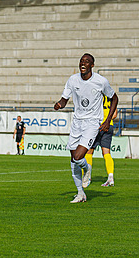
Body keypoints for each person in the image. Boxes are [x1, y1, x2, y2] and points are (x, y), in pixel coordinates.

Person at [54, 53, 118, 203]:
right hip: (77, 122)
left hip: (92, 123)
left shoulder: (100, 81)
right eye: (82, 61)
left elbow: (114, 98)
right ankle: (80, 193)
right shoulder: (73, 80)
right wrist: (59, 104)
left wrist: (107, 120)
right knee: (73, 159)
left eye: (87, 61)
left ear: (92, 65)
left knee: (78, 157)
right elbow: (64, 100)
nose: (83, 63)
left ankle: (87, 168)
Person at [85, 95, 117, 187]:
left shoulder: (96, 95)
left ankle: (87, 177)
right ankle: (110, 177)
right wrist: (107, 121)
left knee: (89, 152)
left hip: (96, 125)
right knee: (106, 153)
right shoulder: (112, 97)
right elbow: (114, 114)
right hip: (108, 126)